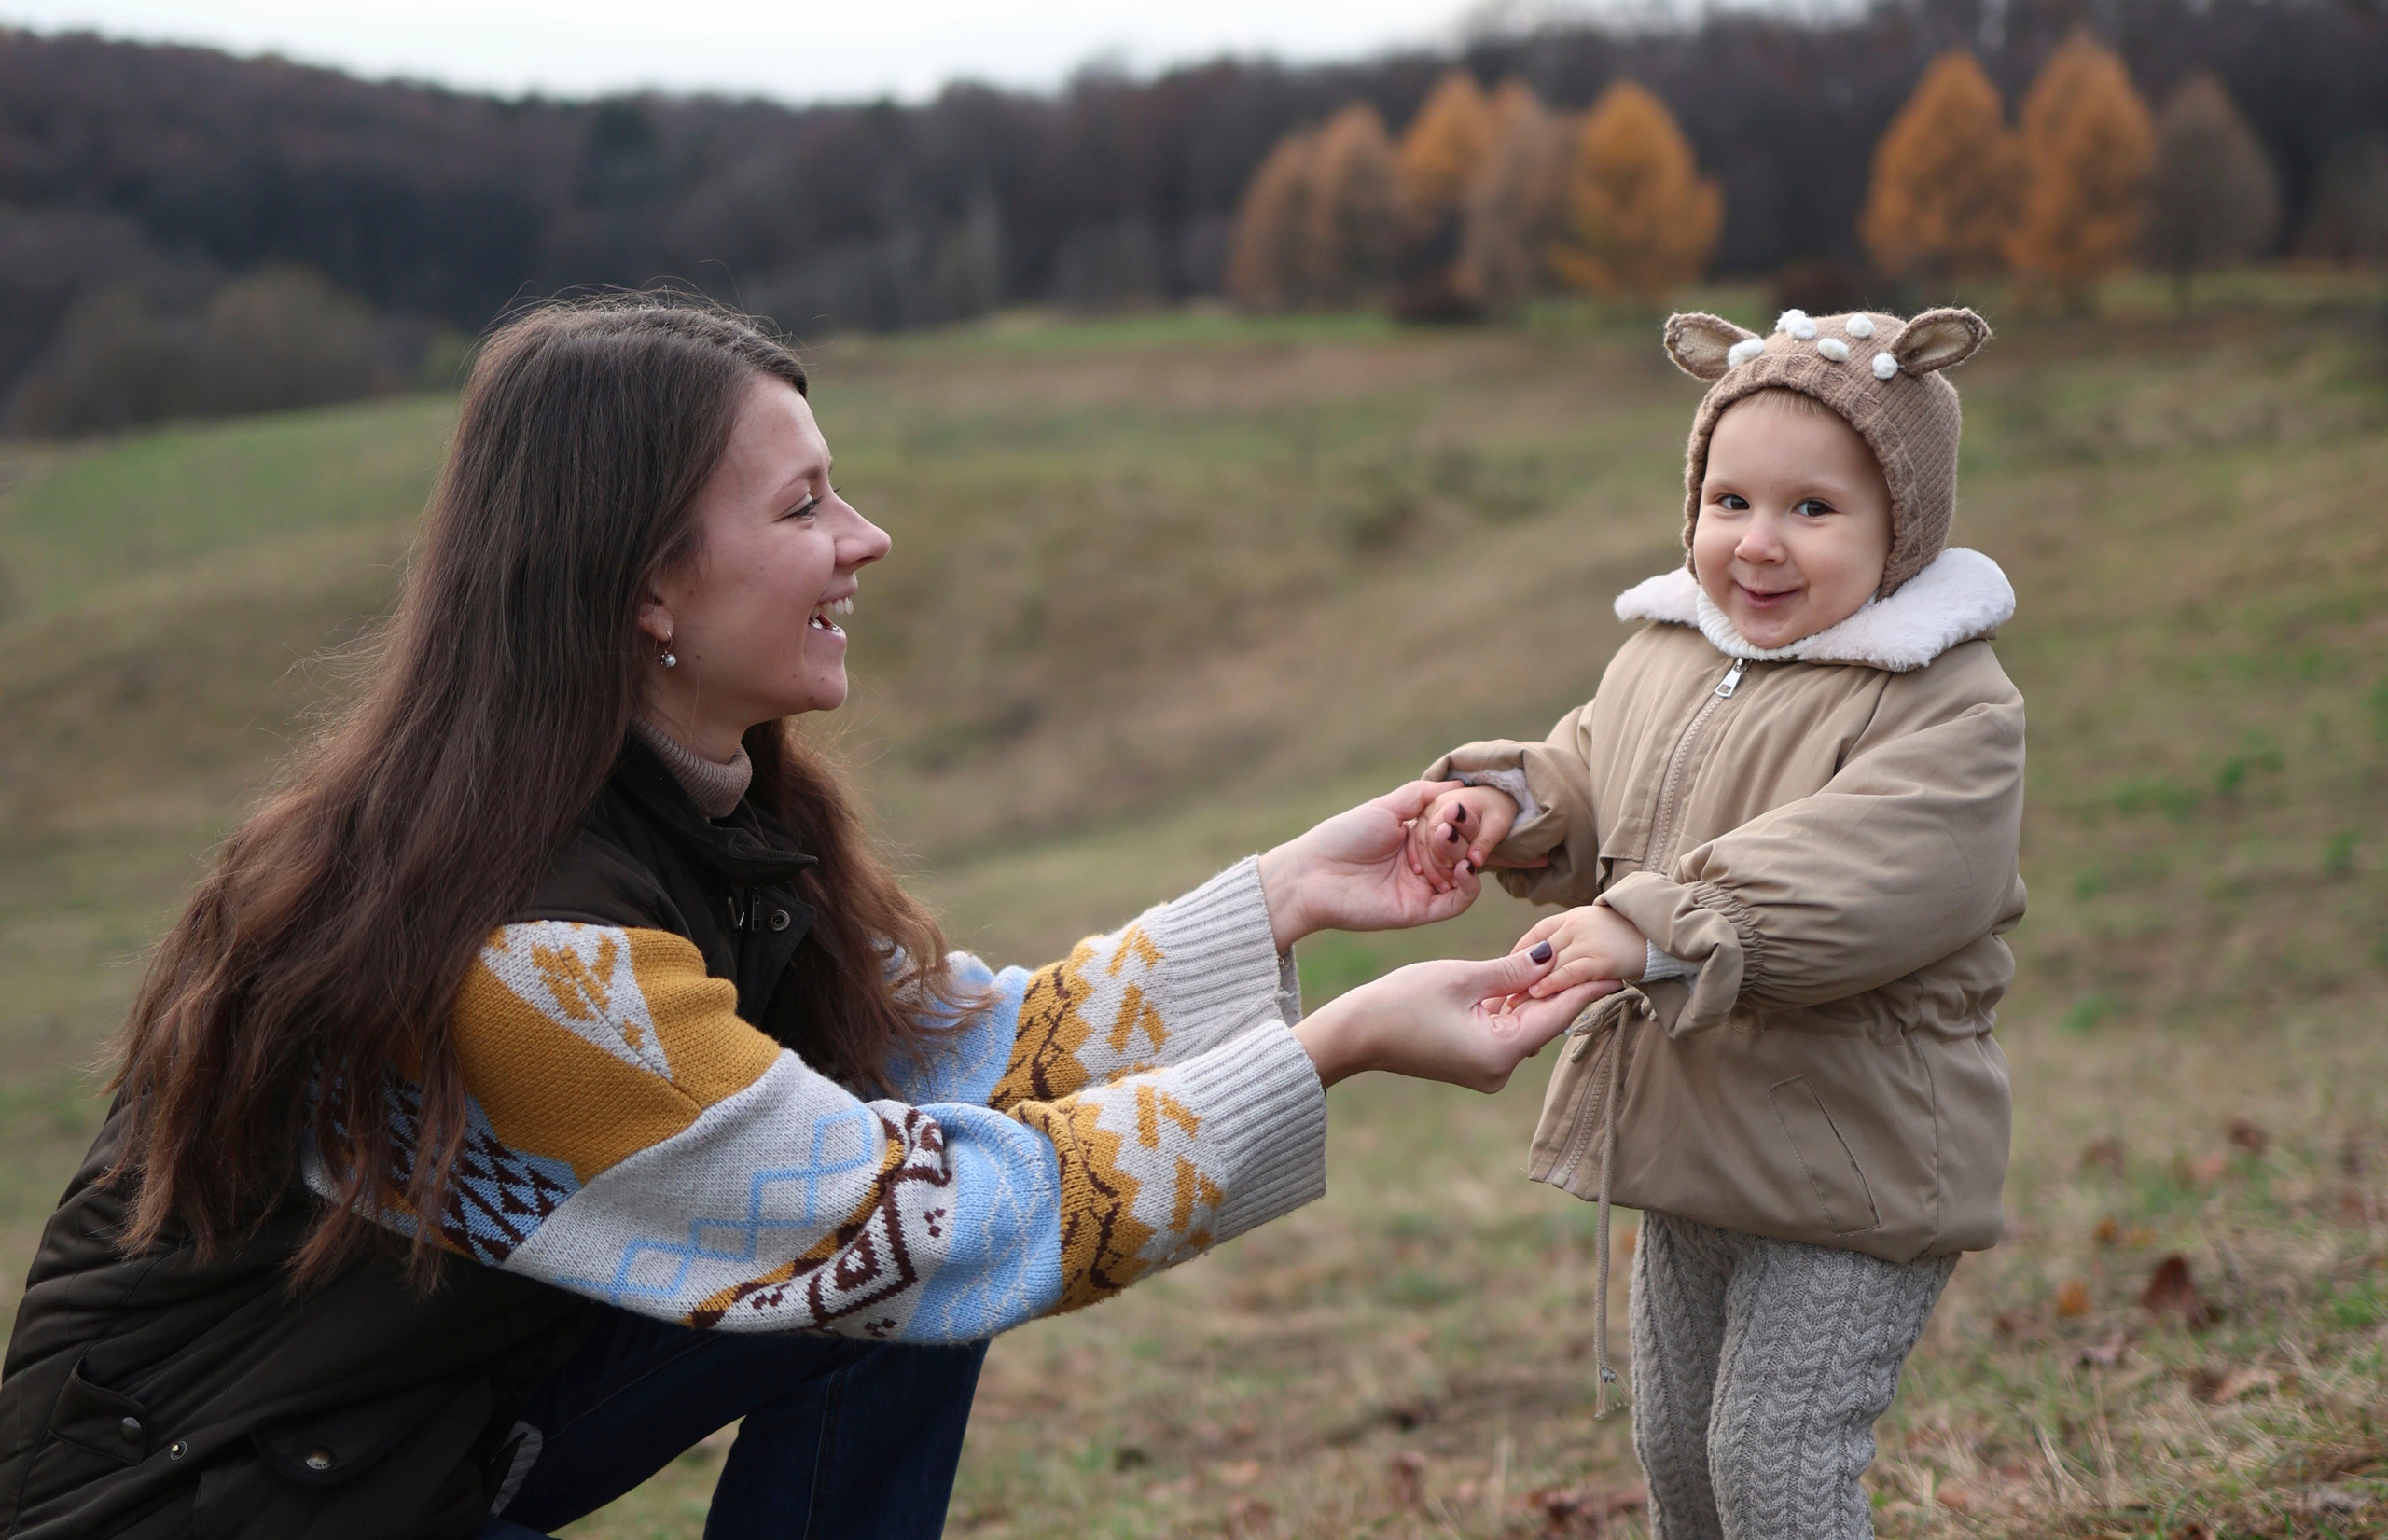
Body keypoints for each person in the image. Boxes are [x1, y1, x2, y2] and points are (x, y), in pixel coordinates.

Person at [0, 296, 1611, 1540]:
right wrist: (1329, 1054)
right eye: (803, 509)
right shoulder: (530, 953)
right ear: (646, 589)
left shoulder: (688, 813)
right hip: (223, 1509)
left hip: (407, 1448)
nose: (866, 540)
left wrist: (1284, 896)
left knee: (883, 1282)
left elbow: (939, 1055)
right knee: (896, 1259)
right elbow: (919, 1222)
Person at [1405, 307, 2025, 1540]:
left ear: (1906, 523)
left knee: (1773, 1470)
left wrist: (1656, 926)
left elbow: (1869, 871)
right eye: (1729, 501)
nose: (1760, 544)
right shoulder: (1675, 656)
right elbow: (1596, 768)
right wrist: (1510, 802)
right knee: (1679, 1460)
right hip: (1694, 1139)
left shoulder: (1951, 706)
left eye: (1813, 510)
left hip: (1856, 1151)